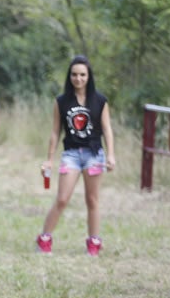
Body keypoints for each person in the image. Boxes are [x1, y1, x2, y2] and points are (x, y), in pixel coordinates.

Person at [36, 55, 115, 256]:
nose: (78, 79)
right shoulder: (61, 102)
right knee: (62, 199)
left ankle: (94, 242)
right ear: (69, 76)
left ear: (89, 76)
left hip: (94, 155)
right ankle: (44, 238)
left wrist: (111, 155)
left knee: (92, 200)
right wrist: (49, 159)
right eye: (74, 75)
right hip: (71, 154)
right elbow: (55, 132)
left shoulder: (100, 101)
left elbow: (107, 129)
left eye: (82, 75)